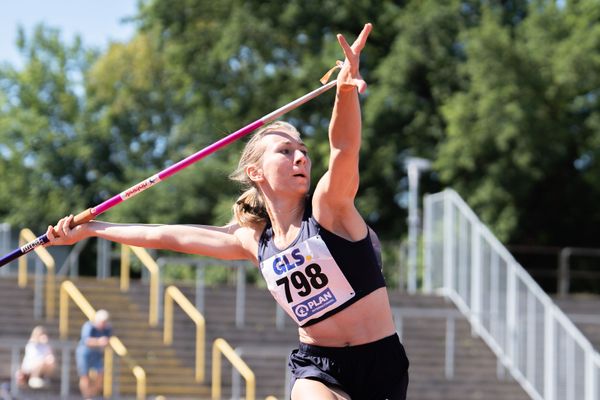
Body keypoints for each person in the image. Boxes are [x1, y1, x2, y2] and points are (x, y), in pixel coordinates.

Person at [46, 23, 409, 399]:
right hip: (317, 365)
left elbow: (344, 148)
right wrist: (94, 229)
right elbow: (168, 235)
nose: (300, 156)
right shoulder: (253, 240)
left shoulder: (328, 209)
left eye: (302, 151)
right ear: (255, 172)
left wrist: (345, 90)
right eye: (285, 152)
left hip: (379, 364)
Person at [76, 309, 112, 400]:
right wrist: (99, 342)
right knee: (84, 376)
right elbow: (87, 341)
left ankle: (92, 394)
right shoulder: (89, 326)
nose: (104, 323)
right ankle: (87, 396)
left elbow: (108, 340)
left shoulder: (107, 328)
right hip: (84, 353)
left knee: (100, 373)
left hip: (96, 353)